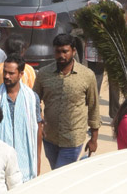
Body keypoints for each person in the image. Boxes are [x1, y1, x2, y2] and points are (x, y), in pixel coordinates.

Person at [32, 34, 99, 170]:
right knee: (56, 172)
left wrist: (94, 139)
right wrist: (39, 122)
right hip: (50, 137)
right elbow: (34, 101)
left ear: (73, 51)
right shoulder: (44, 74)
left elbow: (93, 107)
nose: (61, 55)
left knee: (60, 173)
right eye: (58, 51)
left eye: (65, 51)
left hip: (73, 138)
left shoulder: (87, 75)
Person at [0, 56, 41, 180]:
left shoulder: (32, 98)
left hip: (25, 161)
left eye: (11, 73)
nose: (6, 76)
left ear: (21, 74)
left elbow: (38, 129)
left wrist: (37, 160)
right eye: (5, 72)